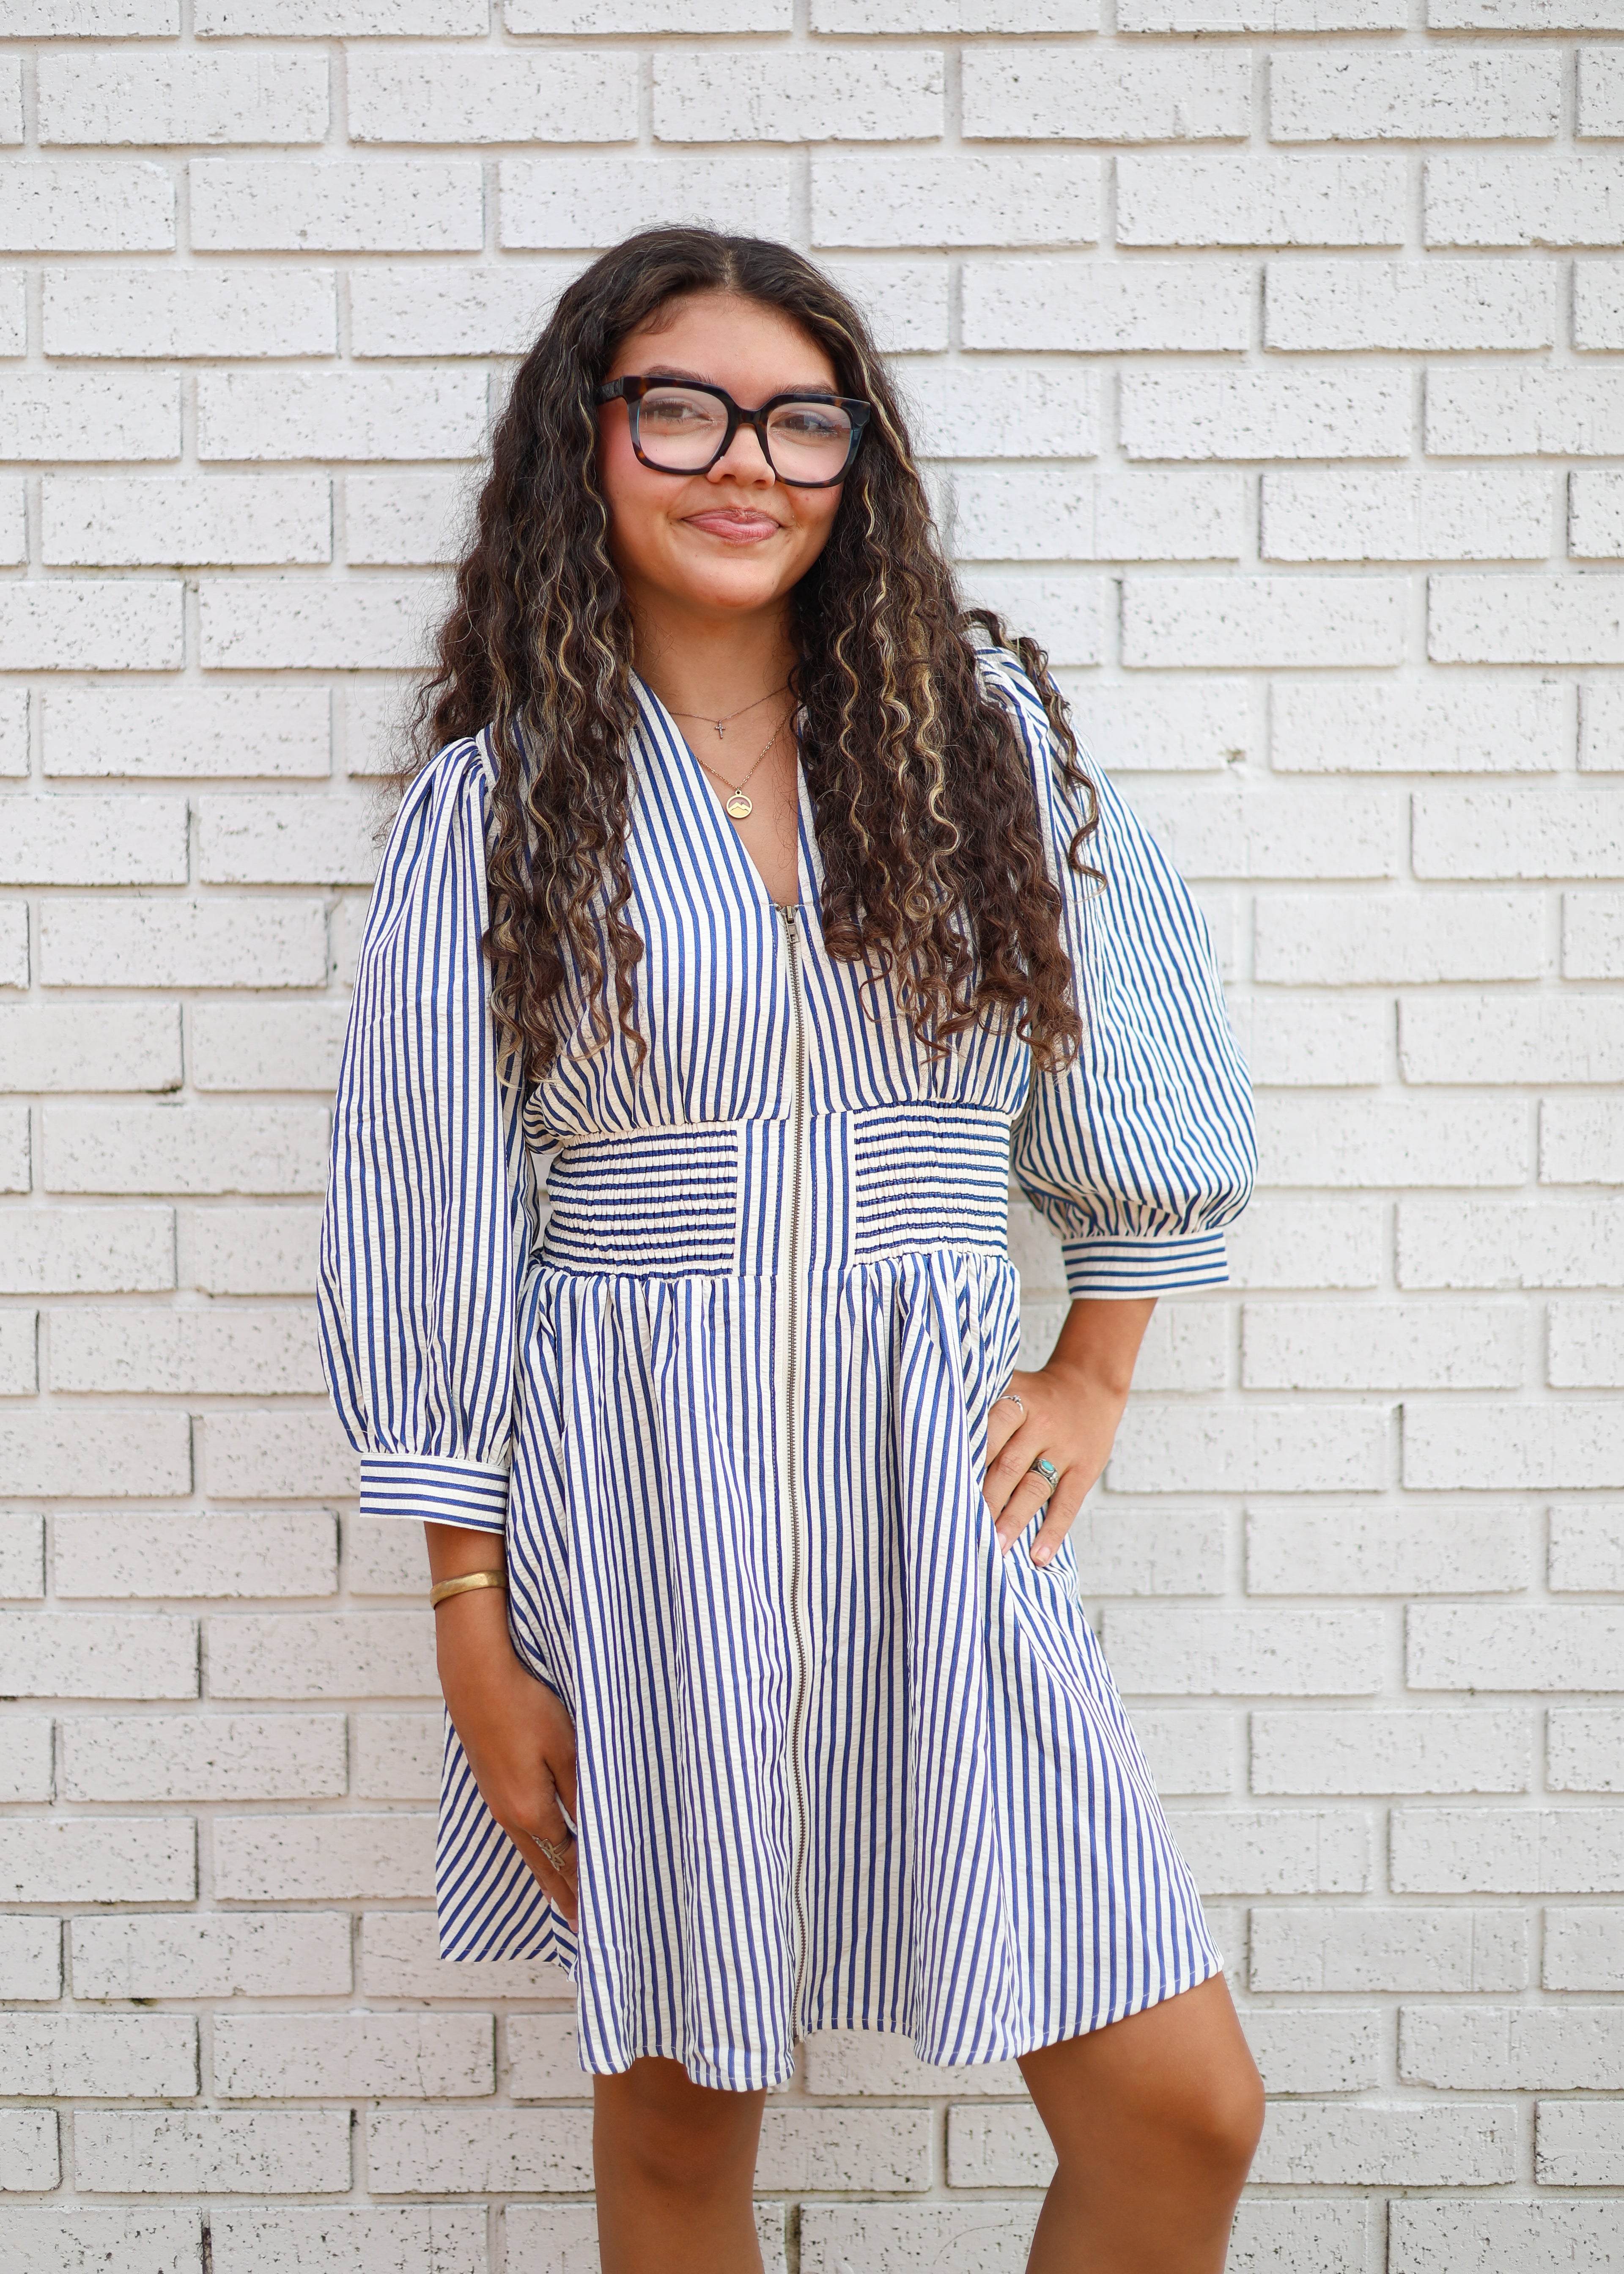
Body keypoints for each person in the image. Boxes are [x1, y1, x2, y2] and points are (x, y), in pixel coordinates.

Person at [318, 225, 1264, 2274]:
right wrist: (473, 1628)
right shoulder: (494, 814)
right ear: (590, 445)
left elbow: (1139, 1065)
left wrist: (1095, 1363)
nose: (744, 459)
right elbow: (428, 1233)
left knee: (1183, 2111)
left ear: (858, 466)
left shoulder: (972, 742)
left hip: (944, 1481)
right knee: (680, 2130)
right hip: (646, 1498)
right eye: (681, 405)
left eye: (800, 418)